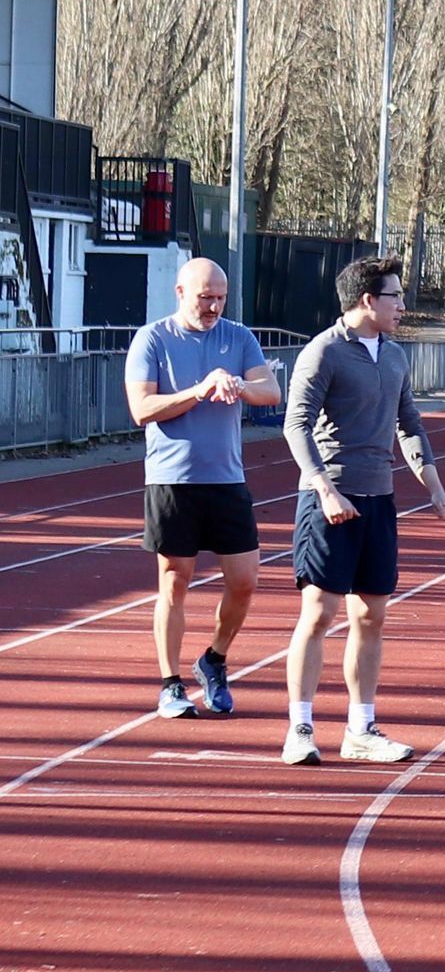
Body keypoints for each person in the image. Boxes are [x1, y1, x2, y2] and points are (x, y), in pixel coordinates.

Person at [280, 256, 445, 766]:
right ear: (367, 300)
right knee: (319, 612)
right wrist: (325, 490)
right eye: (395, 296)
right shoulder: (324, 352)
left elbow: (409, 423)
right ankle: (300, 727)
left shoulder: (395, 356)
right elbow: (296, 425)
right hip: (330, 499)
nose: (403, 305)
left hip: (379, 499)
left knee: (371, 615)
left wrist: (434, 486)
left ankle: (361, 729)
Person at [124, 257, 281, 718]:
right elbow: (142, 408)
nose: (213, 307)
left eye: (220, 298)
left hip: (226, 478)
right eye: (204, 298)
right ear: (180, 293)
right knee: (175, 580)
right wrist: (198, 390)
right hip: (172, 479)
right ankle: (170, 683)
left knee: (245, 581)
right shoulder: (152, 339)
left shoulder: (238, 337)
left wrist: (237, 385)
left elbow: (271, 392)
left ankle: (213, 659)